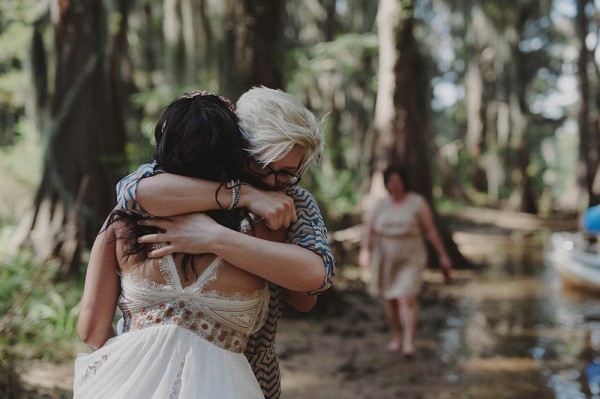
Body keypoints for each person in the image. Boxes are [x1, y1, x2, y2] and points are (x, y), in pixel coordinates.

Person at [74, 92, 299, 398]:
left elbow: (91, 329)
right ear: (237, 155)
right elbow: (307, 292)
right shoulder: (265, 228)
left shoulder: (122, 223)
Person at [114, 86, 335, 398]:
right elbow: (130, 193)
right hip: (150, 373)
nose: (273, 181)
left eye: (287, 173)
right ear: (237, 144)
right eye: (261, 164)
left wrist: (215, 238)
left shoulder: (296, 202)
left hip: (251, 372)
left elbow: (314, 280)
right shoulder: (188, 175)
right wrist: (244, 195)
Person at [359, 165, 452, 357]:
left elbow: (430, 230)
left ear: (404, 182)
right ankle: (396, 338)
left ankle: (409, 342)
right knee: (391, 299)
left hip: (411, 254)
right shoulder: (380, 204)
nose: (394, 185)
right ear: (386, 184)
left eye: (397, 181)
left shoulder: (417, 203)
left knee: (407, 297)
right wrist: (365, 251)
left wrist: (443, 255)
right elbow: (369, 230)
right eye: (390, 181)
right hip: (385, 255)